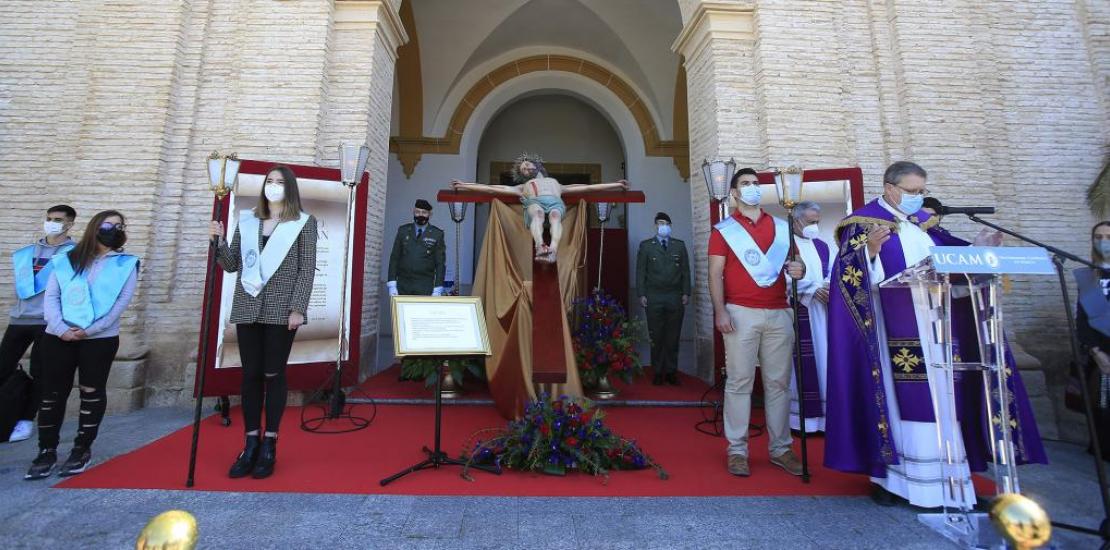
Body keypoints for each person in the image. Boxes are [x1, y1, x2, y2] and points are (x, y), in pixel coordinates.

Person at [824, 161, 1046, 508]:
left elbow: (950, 269)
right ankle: (902, 484)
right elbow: (845, 275)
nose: (918, 197)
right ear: (889, 188)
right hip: (895, 331)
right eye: (911, 191)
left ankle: (952, 483)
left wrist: (977, 249)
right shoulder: (865, 224)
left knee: (945, 402)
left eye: (921, 191)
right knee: (909, 407)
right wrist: (869, 253)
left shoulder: (923, 228)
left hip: (940, 328)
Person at [209, 165, 318, 479]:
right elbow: (231, 265)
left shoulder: (303, 223)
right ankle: (250, 442)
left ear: (290, 188)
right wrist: (217, 242)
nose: (273, 186)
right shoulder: (248, 220)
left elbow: (306, 268)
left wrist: (298, 308)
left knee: (273, 374)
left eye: (279, 182)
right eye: (269, 181)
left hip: (283, 309)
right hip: (248, 305)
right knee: (250, 375)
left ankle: (270, 442)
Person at [24, 210, 139, 479]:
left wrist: (90, 330)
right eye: (109, 225)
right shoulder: (65, 260)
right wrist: (62, 329)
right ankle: (46, 450)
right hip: (57, 335)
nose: (114, 229)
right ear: (95, 227)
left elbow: (121, 304)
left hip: (99, 338)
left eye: (120, 226)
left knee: (91, 390)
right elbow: (51, 297)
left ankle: (81, 449)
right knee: (53, 393)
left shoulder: (125, 264)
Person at [709, 167, 806, 477]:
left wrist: (799, 270)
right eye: (745, 184)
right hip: (740, 312)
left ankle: (781, 448)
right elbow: (714, 273)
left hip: (779, 311)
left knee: (778, 383)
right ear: (735, 193)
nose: (752, 188)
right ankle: (737, 449)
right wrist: (720, 311)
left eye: (755, 184)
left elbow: (797, 262)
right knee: (739, 382)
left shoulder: (781, 226)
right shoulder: (724, 230)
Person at [450, 153, 630, 263]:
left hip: (554, 202)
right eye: (523, 169)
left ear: (537, 166)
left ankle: (552, 248)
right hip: (534, 202)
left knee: (554, 217)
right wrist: (465, 185)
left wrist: (615, 184)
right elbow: (491, 188)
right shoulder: (523, 187)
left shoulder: (556, 183)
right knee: (537, 214)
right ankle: (539, 245)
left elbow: (588, 187)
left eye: (528, 165)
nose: (526, 168)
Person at [2, 205, 77, 443]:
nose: (52, 222)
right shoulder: (28, 252)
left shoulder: (73, 253)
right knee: (3, 365)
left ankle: (25, 419)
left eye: (57, 219)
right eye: (49, 218)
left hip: (49, 320)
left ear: (69, 224)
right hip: (20, 318)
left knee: (40, 371)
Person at [787, 201, 836, 433]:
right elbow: (782, 277)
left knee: (824, 361)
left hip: (823, 312)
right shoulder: (785, 245)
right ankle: (802, 421)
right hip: (799, 310)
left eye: (817, 222)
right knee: (802, 364)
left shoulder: (824, 246)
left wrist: (827, 287)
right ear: (796, 220)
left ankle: (825, 421)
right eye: (810, 222)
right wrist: (810, 289)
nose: (815, 226)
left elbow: (834, 272)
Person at [636, 212, 691, 386]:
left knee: (673, 336)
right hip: (654, 296)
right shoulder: (646, 246)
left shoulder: (679, 246)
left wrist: (686, 292)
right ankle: (658, 371)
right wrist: (641, 294)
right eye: (660, 223)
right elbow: (640, 272)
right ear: (655, 226)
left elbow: (685, 272)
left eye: (666, 223)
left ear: (670, 225)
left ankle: (672, 371)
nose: (663, 226)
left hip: (674, 296)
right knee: (656, 335)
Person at [1074, 221, 1110, 462]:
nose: (1103, 241)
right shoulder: (1089, 275)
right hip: (1101, 351)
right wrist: (1097, 353)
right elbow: (1083, 319)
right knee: (1103, 405)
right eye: (1098, 236)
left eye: (1108, 236)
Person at [387, 199, 446, 297]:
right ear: (413, 212)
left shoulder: (437, 234)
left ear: (430, 214)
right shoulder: (403, 231)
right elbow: (394, 258)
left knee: (421, 312)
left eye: (424, 212)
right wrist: (392, 284)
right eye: (417, 212)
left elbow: (440, 264)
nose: (420, 215)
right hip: (403, 285)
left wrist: (438, 288)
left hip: (425, 285)